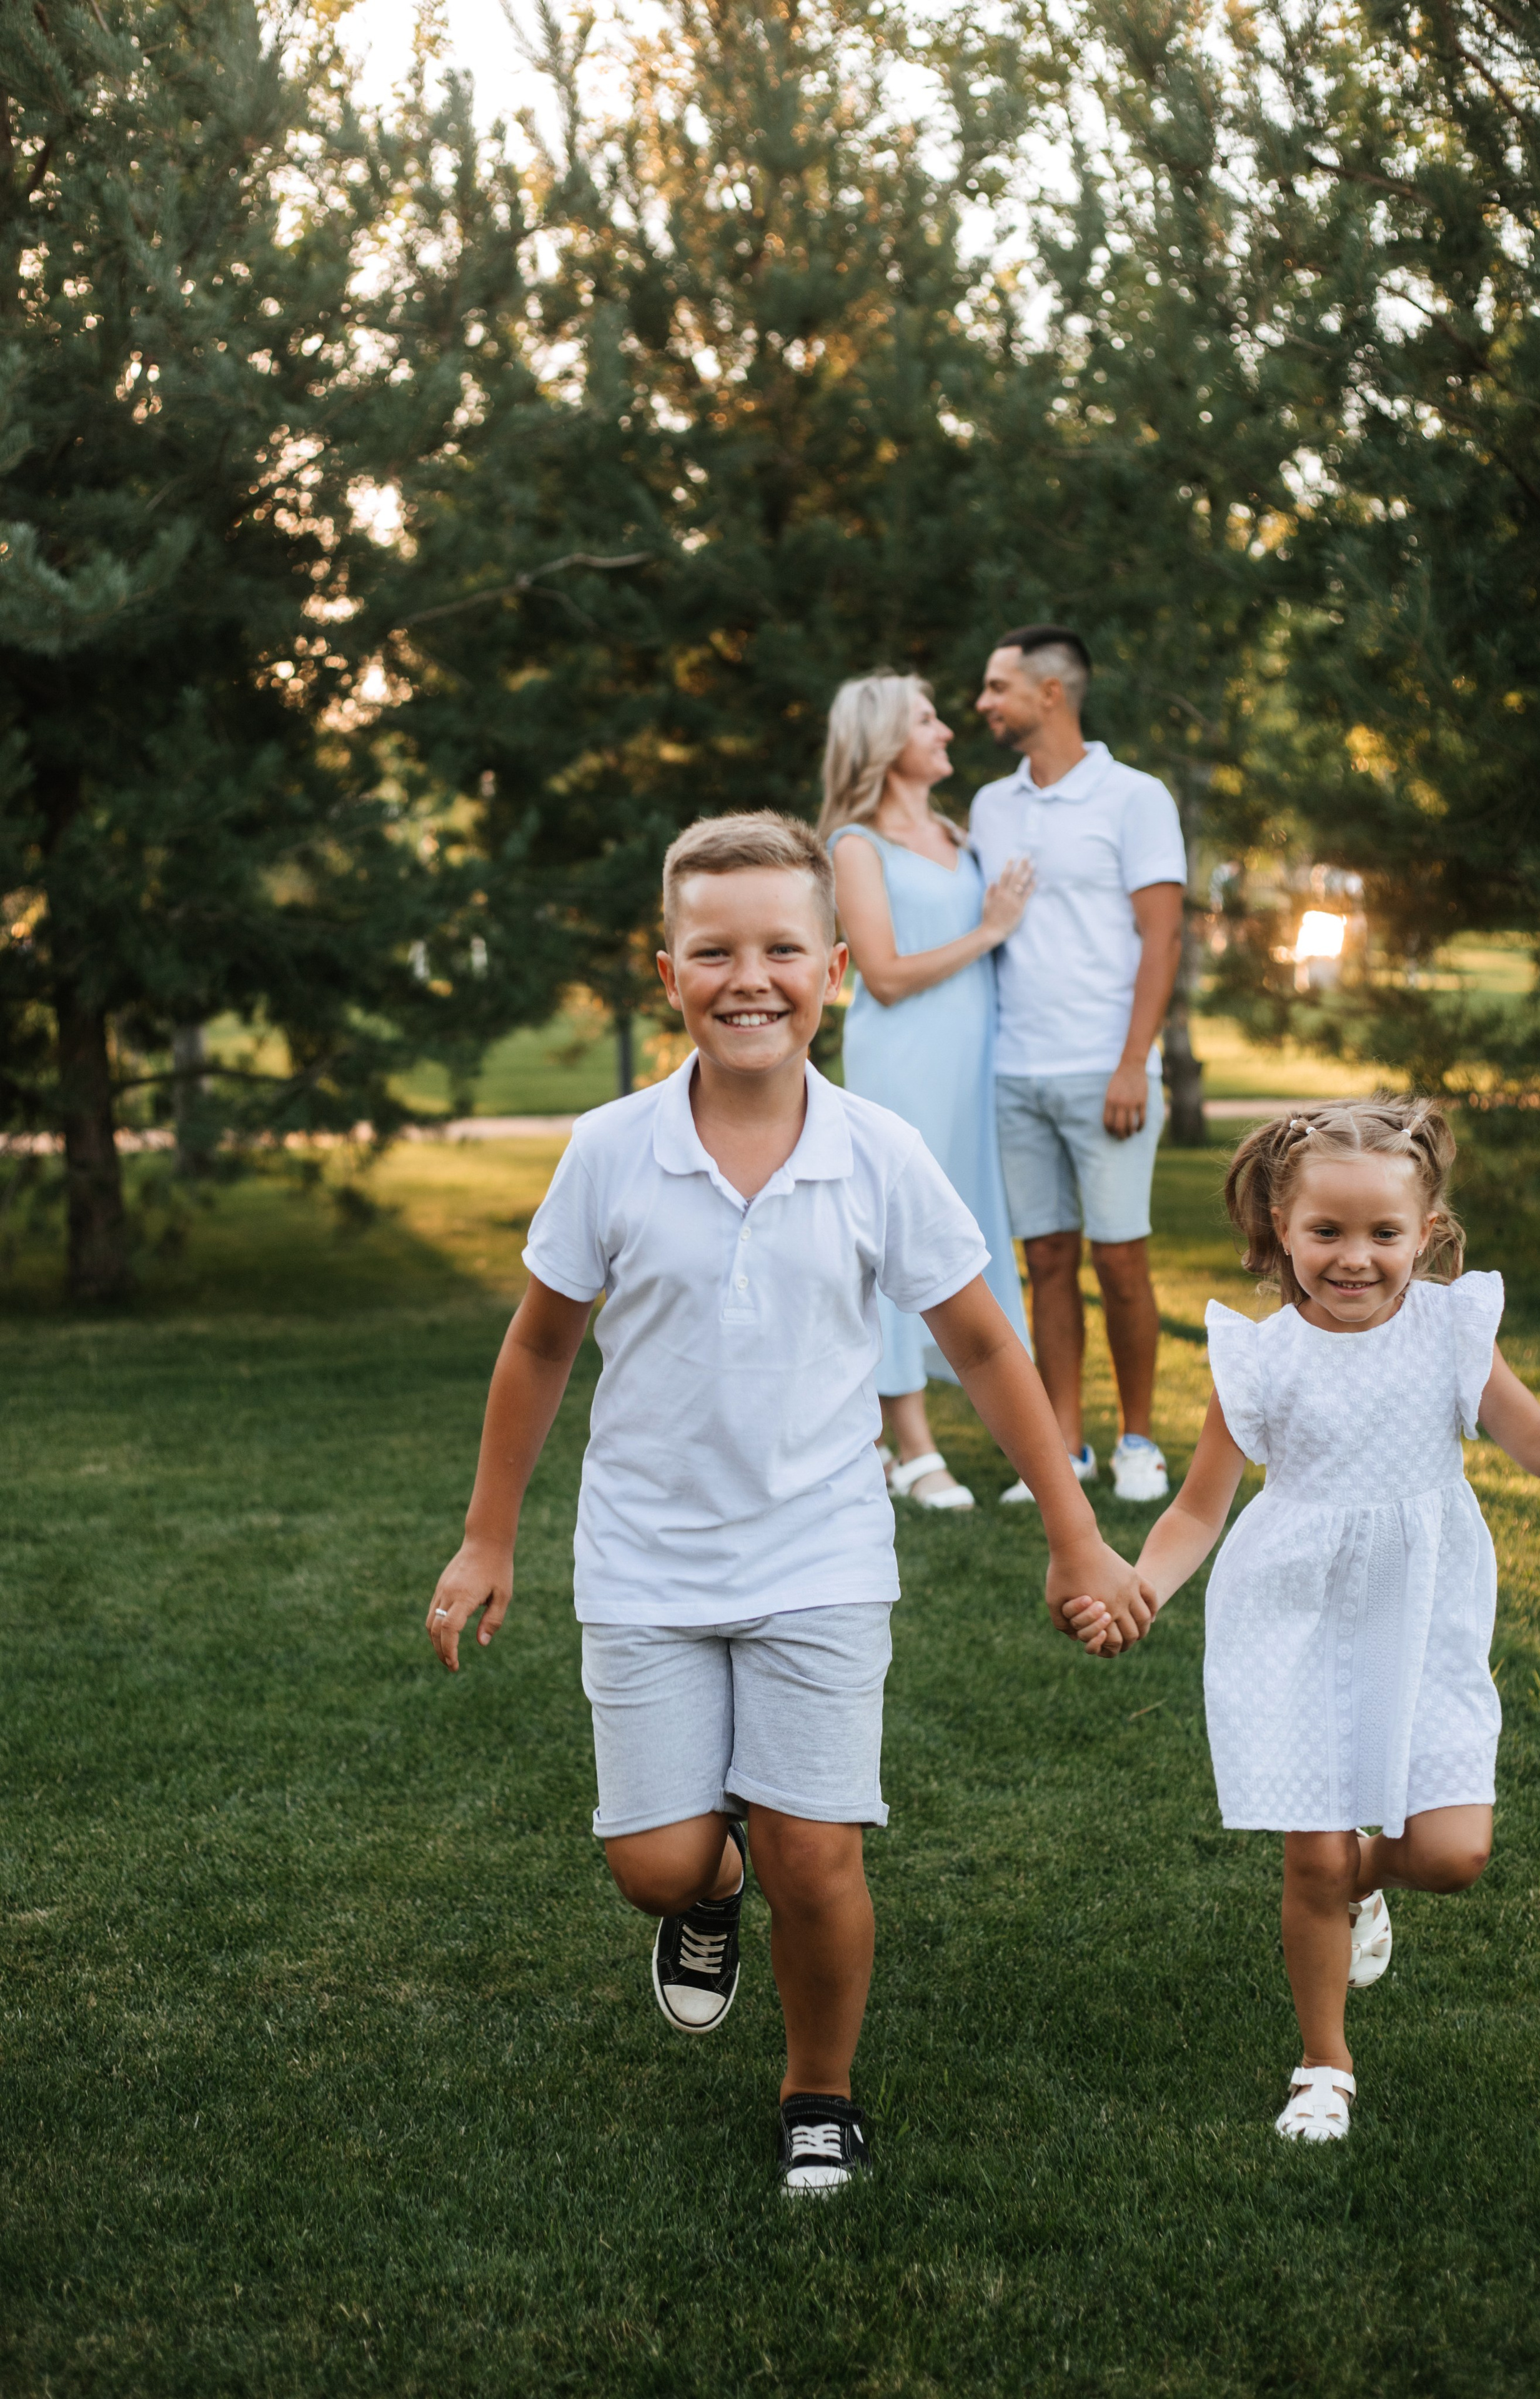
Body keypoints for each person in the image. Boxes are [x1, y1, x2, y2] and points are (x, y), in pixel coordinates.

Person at [425, 810, 1153, 2196]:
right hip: (644, 1557)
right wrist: (486, 1534)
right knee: (656, 1860)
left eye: (779, 950)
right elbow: (537, 1345)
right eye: (713, 951)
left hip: (819, 1549)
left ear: (832, 968)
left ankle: (817, 2090)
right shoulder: (610, 1150)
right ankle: (701, 1899)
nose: (747, 978)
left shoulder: (877, 1152)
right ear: (665, 971)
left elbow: (990, 1346)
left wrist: (1072, 1527)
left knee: (814, 1854)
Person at [1064, 1099, 1540, 2142]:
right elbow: (1198, 1509)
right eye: (1328, 1234)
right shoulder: (1258, 1362)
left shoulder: (1450, 1331)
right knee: (1309, 1856)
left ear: (1428, 1234)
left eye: (1384, 1235)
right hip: (1292, 1616)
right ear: (1281, 1229)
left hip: (1423, 1618)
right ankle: (1325, 2063)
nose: (1356, 1259)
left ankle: (1363, 1883)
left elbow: (1538, 1444)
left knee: (1452, 1854)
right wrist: (1142, 1588)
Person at [970, 625, 1186, 1504]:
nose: (983, 703)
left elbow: (1163, 935)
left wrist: (1134, 1063)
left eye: (995, 687)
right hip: (1014, 1072)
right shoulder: (990, 806)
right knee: (1046, 1260)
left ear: (1049, 693)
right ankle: (1065, 1446)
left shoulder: (1135, 798)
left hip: (1108, 1074)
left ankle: (1138, 1440)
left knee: (1121, 1261)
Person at [822, 671, 1034, 1509]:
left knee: (975, 1232)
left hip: (971, 1063)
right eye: (927, 719)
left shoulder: (957, 832)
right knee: (898, 1244)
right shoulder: (854, 845)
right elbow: (883, 973)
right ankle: (907, 1445)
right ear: (884, 739)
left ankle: (1022, 1436)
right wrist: (988, 930)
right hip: (902, 1061)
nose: (947, 730)